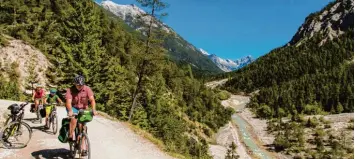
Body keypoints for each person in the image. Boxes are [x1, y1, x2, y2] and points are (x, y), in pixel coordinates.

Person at [65, 75, 97, 156]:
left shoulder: (87, 89)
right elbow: (68, 102)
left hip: (83, 108)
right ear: (75, 84)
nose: (79, 86)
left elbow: (92, 100)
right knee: (74, 120)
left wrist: (93, 109)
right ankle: (71, 135)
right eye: (78, 85)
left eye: (81, 85)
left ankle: (83, 147)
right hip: (73, 108)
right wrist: (70, 111)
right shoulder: (70, 90)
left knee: (83, 127)